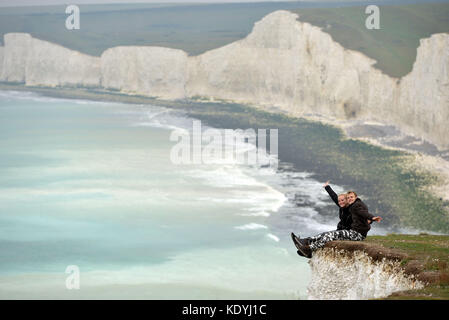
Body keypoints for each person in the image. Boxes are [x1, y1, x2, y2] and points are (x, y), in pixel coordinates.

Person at [291, 188, 382, 258]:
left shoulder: (356, 206)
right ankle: (306, 242)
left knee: (329, 236)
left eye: (351, 197)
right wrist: (327, 187)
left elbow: (363, 213)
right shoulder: (350, 206)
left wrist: (372, 218)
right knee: (325, 235)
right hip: (353, 232)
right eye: (348, 197)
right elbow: (335, 198)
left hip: (356, 234)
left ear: (356, 197)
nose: (349, 199)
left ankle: (309, 249)